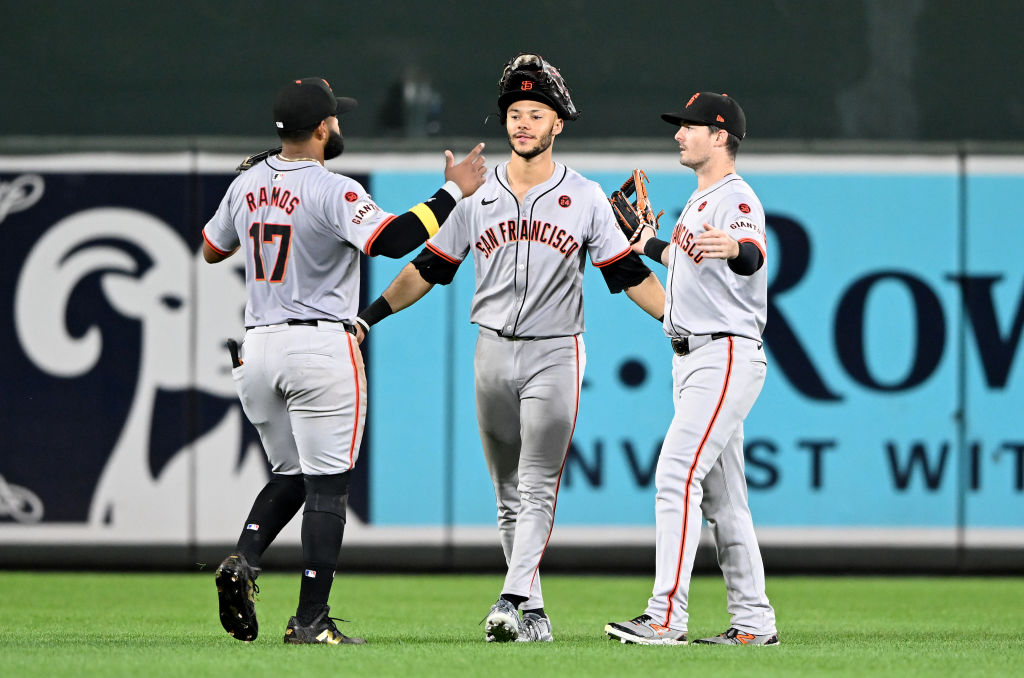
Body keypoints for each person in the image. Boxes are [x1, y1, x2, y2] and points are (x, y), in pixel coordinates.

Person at [355, 53, 665, 643]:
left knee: (537, 482)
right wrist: (370, 316)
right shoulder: (477, 197)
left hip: (555, 353)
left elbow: (627, 275)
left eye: (536, 113)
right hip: (491, 351)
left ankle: (509, 598)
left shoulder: (587, 196)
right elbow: (427, 269)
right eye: (515, 113)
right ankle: (536, 615)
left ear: (558, 125)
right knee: (505, 492)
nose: (523, 123)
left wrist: (676, 318)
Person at [202, 76, 486, 645]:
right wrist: (452, 192)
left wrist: (252, 187)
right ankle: (310, 621)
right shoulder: (334, 188)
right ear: (323, 127)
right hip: (318, 345)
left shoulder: (248, 183)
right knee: (327, 487)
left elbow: (212, 249)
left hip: (257, 349)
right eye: (337, 118)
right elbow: (392, 239)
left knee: (291, 474)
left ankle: (245, 558)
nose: (340, 125)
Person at [604, 92, 778, 646]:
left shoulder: (736, 196)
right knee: (726, 503)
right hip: (693, 358)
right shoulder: (699, 201)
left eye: (690, 126)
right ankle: (754, 624)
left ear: (720, 135)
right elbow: (685, 259)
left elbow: (750, 251)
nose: (679, 134)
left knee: (675, 474)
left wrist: (735, 248)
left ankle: (665, 617)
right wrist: (645, 242)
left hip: (724, 354)